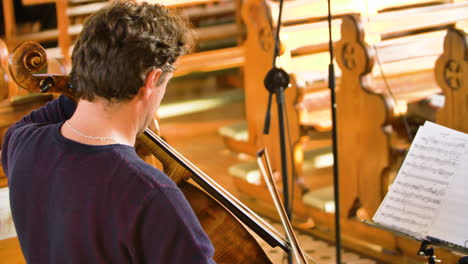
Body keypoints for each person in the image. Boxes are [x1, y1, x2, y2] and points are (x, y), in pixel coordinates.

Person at [1, 1, 215, 263]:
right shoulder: (151, 195)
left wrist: (91, 76)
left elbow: (65, 105)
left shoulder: (20, 143)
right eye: (165, 83)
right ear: (151, 81)